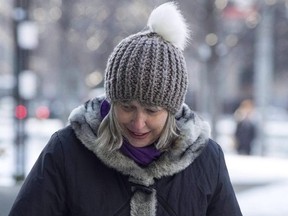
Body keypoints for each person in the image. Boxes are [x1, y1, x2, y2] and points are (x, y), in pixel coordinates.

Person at [9, 2, 242, 216]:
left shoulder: (206, 159)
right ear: (111, 102)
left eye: (152, 111)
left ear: (171, 110)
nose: (138, 122)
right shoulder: (66, 151)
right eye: (127, 107)